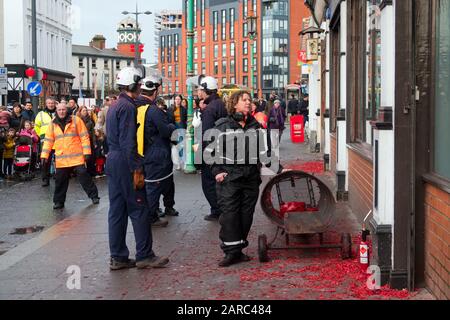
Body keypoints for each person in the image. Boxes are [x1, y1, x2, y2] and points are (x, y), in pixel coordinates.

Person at [106, 67, 169, 270]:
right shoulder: (127, 107)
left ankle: (118, 257)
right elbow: (128, 142)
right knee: (139, 207)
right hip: (126, 161)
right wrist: (137, 169)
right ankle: (144, 255)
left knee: (117, 210)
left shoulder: (115, 105)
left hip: (113, 160)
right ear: (133, 84)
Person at [209, 91, 263, 267]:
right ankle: (230, 253)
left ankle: (238, 250)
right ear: (234, 104)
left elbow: (266, 152)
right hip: (230, 179)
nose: (248, 103)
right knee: (230, 216)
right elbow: (209, 152)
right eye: (244, 100)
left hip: (250, 179)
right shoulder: (222, 126)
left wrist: (280, 168)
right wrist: (217, 171)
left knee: (245, 216)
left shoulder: (256, 126)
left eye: (249, 100)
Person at [135, 76, 178, 227]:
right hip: (155, 153)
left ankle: (153, 211)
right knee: (154, 185)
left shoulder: (134, 106)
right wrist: (173, 127)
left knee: (149, 185)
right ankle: (151, 217)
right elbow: (166, 131)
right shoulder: (153, 111)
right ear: (154, 91)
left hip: (141, 152)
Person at [40, 103, 99, 210]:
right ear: (56, 111)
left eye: (63, 109)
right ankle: (58, 202)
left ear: (66, 110)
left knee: (84, 177)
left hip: (76, 157)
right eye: (59, 110)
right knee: (60, 181)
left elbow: (84, 137)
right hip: (62, 158)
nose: (61, 112)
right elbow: (48, 141)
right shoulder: (53, 124)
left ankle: (94, 196)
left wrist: (86, 153)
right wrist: (44, 155)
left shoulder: (76, 120)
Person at [197, 75, 228, 221]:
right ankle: (222, 208)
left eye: (200, 89)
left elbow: (207, 134)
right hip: (222, 148)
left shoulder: (210, 109)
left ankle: (216, 210)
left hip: (212, 151)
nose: (199, 92)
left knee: (208, 183)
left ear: (205, 90)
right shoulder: (220, 104)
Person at [35, 98, 56, 187]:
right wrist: (42, 136)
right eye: (49, 103)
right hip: (46, 139)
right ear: (46, 104)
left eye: (52, 103)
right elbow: (37, 126)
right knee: (45, 160)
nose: (51, 104)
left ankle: (59, 177)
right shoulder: (40, 114)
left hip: (58, 139)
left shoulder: (59, 112)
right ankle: (45, 179)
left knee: (59, 159)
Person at [78, 106, 96, 176]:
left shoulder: (90, 120)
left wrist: (94, 142)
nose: (85, 112)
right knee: (81, 157)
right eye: (83, 111)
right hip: (80, 141)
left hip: (89, 140)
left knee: (90, 157)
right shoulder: (78, 120)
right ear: (80, 112)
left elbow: (93, 132)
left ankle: (90, 171)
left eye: (86, 110)